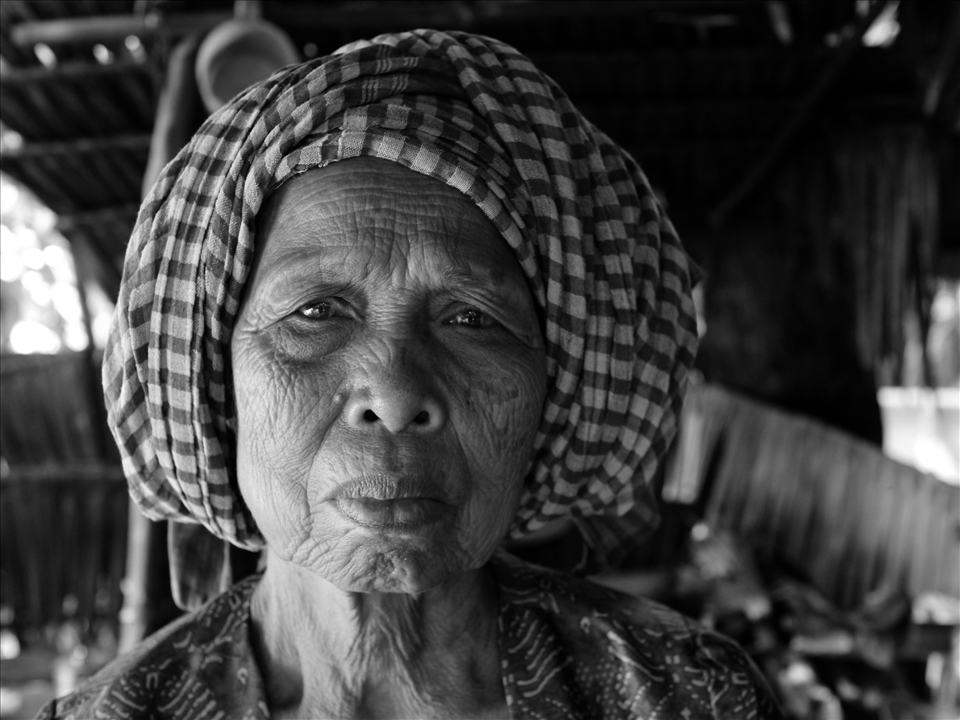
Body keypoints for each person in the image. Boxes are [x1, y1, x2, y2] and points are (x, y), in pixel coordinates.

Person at [40, 29, 782, 719]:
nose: (395, 396)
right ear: (214, 387)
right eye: (315, 313)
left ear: (553, 395)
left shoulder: (690, 697)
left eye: (471, 319)